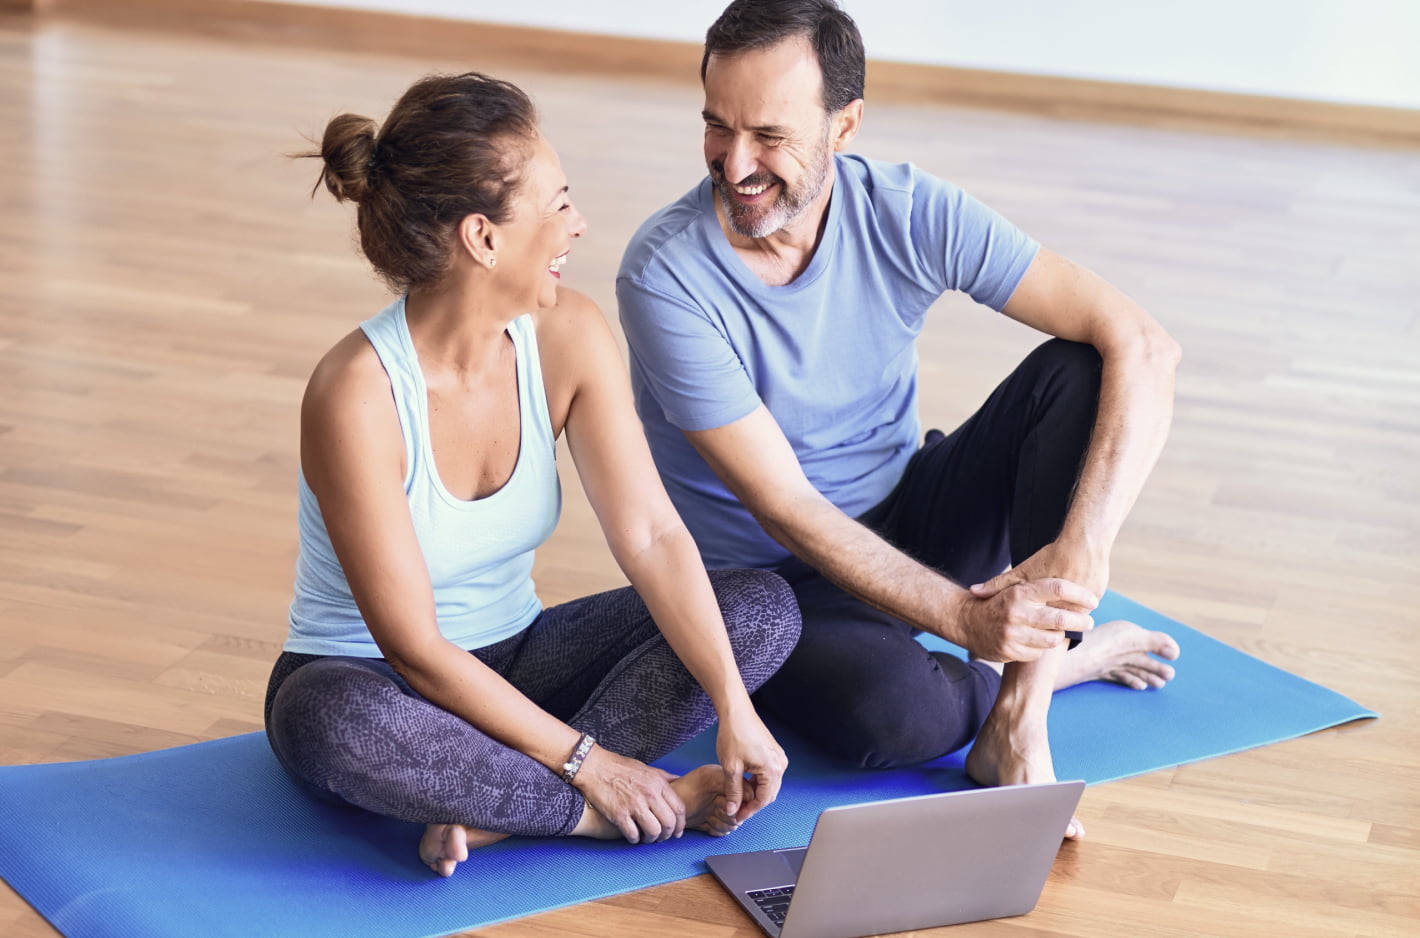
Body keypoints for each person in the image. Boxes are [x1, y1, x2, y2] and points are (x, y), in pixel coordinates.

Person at [617, 0, 1182, 840]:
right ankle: (1067, 663)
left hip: (914, 512)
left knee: (1084, 366)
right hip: (779, 587)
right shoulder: (665, 277)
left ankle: (1020, 721)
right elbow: (787, 508)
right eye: (716, 126)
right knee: (895, 720)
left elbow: (1142, 343)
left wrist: (1085, 545)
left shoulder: (908, 209)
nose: (733, 164)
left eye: (769, 137)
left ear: (844, 125)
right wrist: (965, 620)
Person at [263, 71, 801, 878]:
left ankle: (494, 816)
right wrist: (592, 765)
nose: (577, 224)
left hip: (521, 659)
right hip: (376, 681)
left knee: (761, 611)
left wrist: (733, 705)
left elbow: (652, 535)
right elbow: (413, 650)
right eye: (556, 205)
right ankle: (591, 813)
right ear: (483, 237)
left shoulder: (570, 336)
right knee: (331, 723)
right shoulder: (356, 393)